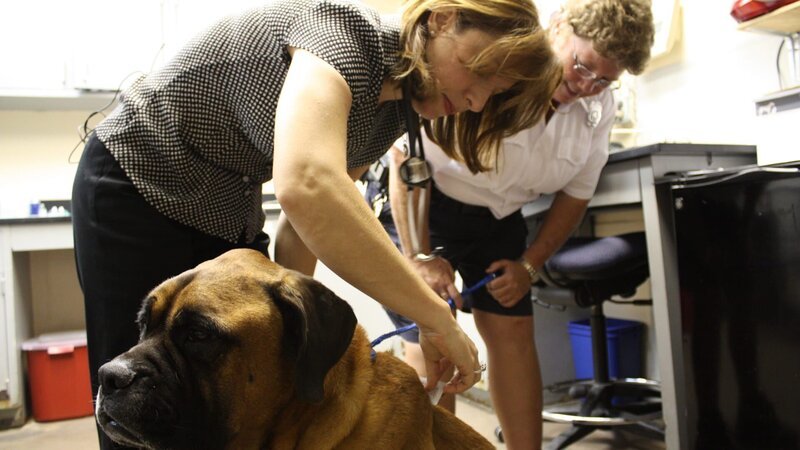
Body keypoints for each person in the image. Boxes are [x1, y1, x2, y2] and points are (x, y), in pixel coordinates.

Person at [70, 0, 562, 448]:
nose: (476, 102)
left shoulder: (393, 112)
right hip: (139, 176)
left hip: (220, 203)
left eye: (494, 94)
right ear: (443, 19)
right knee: (141, 404)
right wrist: (433, 319)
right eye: (481, 72)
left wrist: (291, 321)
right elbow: (307, 186)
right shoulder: (344, 35)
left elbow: (306, 225)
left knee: (215, 408)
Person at [368, 0, 655, 448]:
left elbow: (575, 195)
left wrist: (530, 265)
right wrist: (420, 256)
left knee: (514, 331)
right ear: (558, 27)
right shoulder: (500, 62)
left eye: (604, 80)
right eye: (583, 66)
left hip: (498, 216)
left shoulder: (597, 107)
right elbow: (408, 157)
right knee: (433, 329)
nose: (587, 85)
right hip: (426, 199)